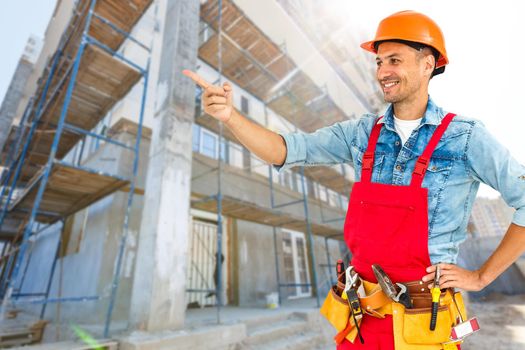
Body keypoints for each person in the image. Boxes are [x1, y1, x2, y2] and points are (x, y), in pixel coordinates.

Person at [184, 10, 525, 349]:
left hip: (426, 325)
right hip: (362, 321)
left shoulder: (465, 138)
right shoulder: (361, 133)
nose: (383, 72)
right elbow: (285, 150)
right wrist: (230, 116)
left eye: (394, 60)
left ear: (428, 64)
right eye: (378, 62)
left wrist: (481, 277)